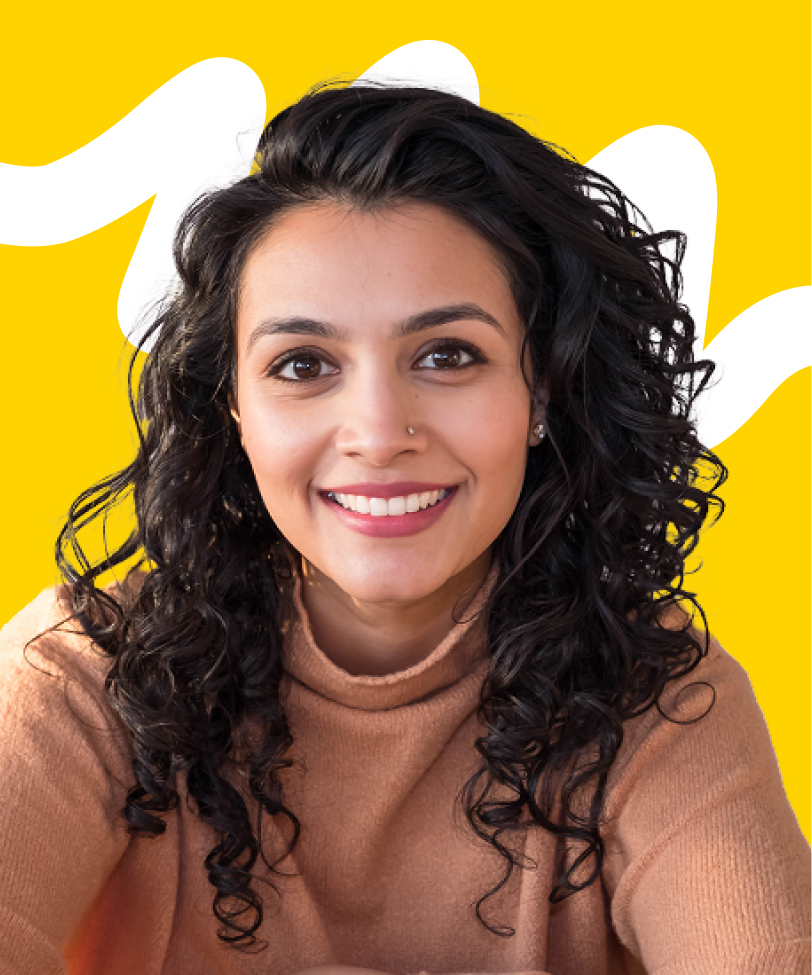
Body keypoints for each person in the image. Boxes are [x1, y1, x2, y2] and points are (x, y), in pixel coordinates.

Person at [0, 83, 808, 975]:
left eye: (447, 355)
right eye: (303, 364)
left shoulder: (658, 701)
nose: (380, 433)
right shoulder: (85, 679)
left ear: (540, 389)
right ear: (233, 406)